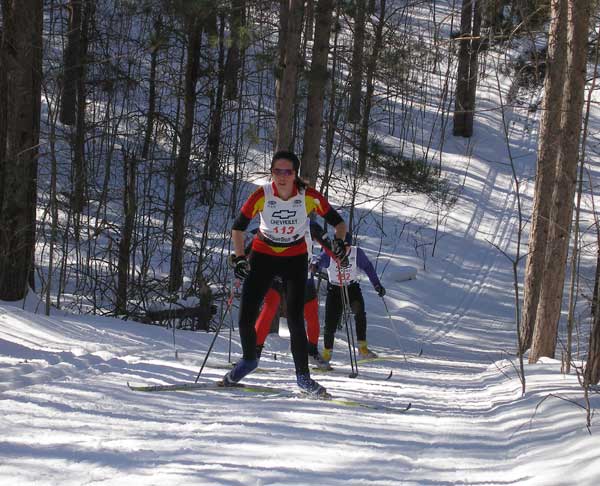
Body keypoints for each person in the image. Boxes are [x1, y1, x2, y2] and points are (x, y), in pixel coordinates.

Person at [224, 150, 347, 396]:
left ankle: (303, 377)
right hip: (263, 255)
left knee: (294, 318)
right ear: (271, 173)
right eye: (277, 171)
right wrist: (239, 258)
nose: (281, 177)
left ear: (295, 174)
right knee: (246, 315)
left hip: (294, 258)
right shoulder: (261, 195)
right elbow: (237, 229)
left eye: (287, 172)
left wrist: (340, 241)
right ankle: (249, 361)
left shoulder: (308, 196)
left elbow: (339, 223)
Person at [313, 233, 386, 363]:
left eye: (347, 246)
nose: (345, 250)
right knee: (330, 324)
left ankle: (363, 349)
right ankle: (326, 354)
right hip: (335, 289)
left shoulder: (356, 253)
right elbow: (318, 261)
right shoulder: (329, 253)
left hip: (352, 287)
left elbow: (368, 267)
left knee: (359, 313)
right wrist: (315, 266)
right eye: (342, 246)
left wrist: (377, 285)